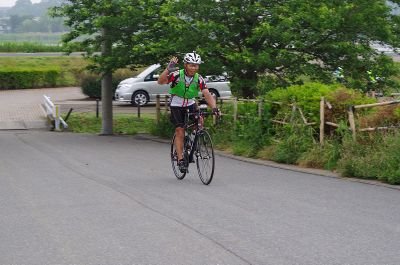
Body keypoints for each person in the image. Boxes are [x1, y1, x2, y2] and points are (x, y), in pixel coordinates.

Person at [158, 51, 220, 172]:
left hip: (191, 104)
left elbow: (206, 93)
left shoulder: (199, 78)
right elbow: (160, 81)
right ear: (186, 65)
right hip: (177, 105)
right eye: (191, 65)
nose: (194, 67)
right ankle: (181, 159)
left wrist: (214, 108)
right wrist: (167, 70)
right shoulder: (176, 75)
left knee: (200, 121)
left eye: (196, 65)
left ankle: (192, 139)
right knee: (180, 130)